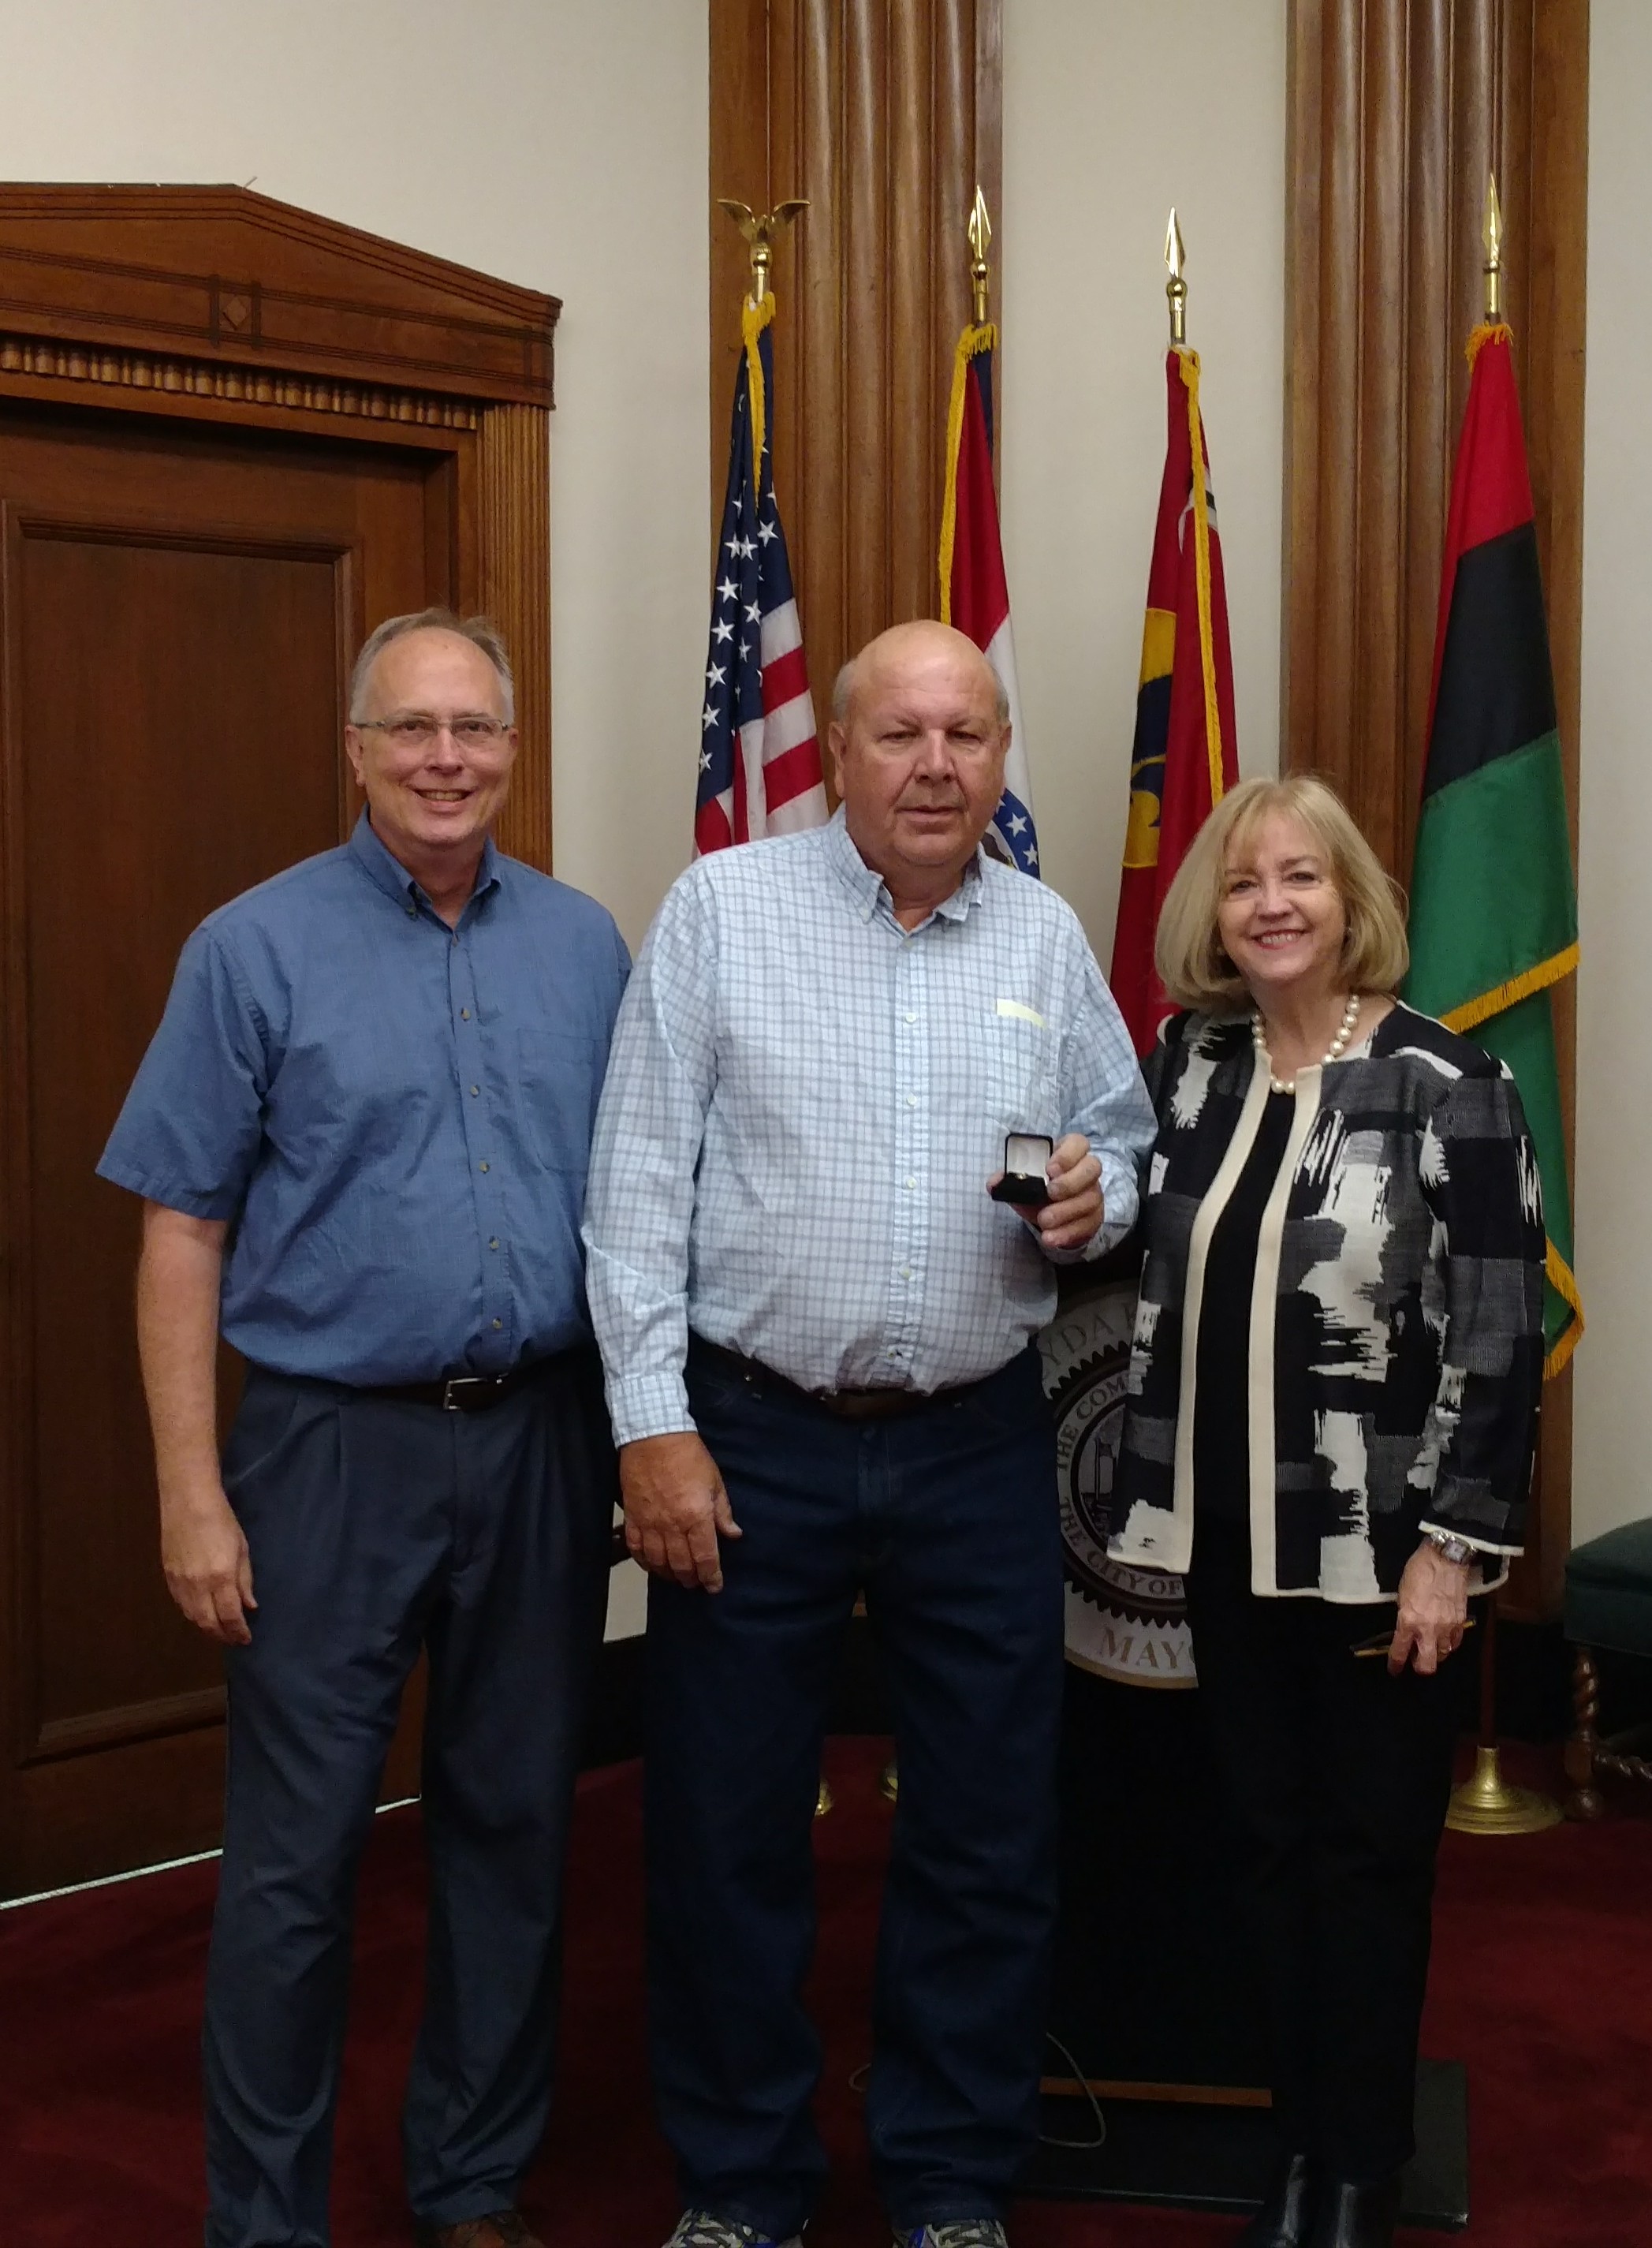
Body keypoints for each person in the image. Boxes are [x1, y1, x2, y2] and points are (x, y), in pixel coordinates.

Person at [583, 619, 1156, 2248]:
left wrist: (1098, 1192)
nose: (933, 766)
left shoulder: (1040, 939)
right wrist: (650, 1433)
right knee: (722, 1828)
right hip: (748, 1440)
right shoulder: (722, 913)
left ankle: (950, 2175)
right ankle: (744, 2185)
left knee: (983, 1830)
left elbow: (1124, 1141)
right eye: (899, 735)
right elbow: (631, 1195)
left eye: (966, 737)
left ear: (997, 760)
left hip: (976, 1443)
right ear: (836, 752)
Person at [97, 610, 630, 2248]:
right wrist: (193, 1495)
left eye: (474, 728)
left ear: (513, 750)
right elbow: (180, 1227)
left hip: (542, 1443)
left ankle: (468, 2183)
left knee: (515, 1833)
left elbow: (637, 1204)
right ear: (356, 751)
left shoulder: (588, 945)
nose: (446, 759)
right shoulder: (249, 950)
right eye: (411, 729)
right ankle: (265, 2221)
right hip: (329, 1454)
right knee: (296, 1865)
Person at [1104, 774, 1545, 2248]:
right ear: (1213, 917)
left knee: (1366, 1862)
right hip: (1220, 1540)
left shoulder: (1447, 1081)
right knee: (1263, 1848)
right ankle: (1292, 2147)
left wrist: (1457, 1551)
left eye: (1301, 877)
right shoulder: (1189, 1062)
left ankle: (1357, 2165)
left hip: (1381, 1555)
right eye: (1243, 883)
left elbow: (1495, 1336)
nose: (1273, 904)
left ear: (1353, 900)